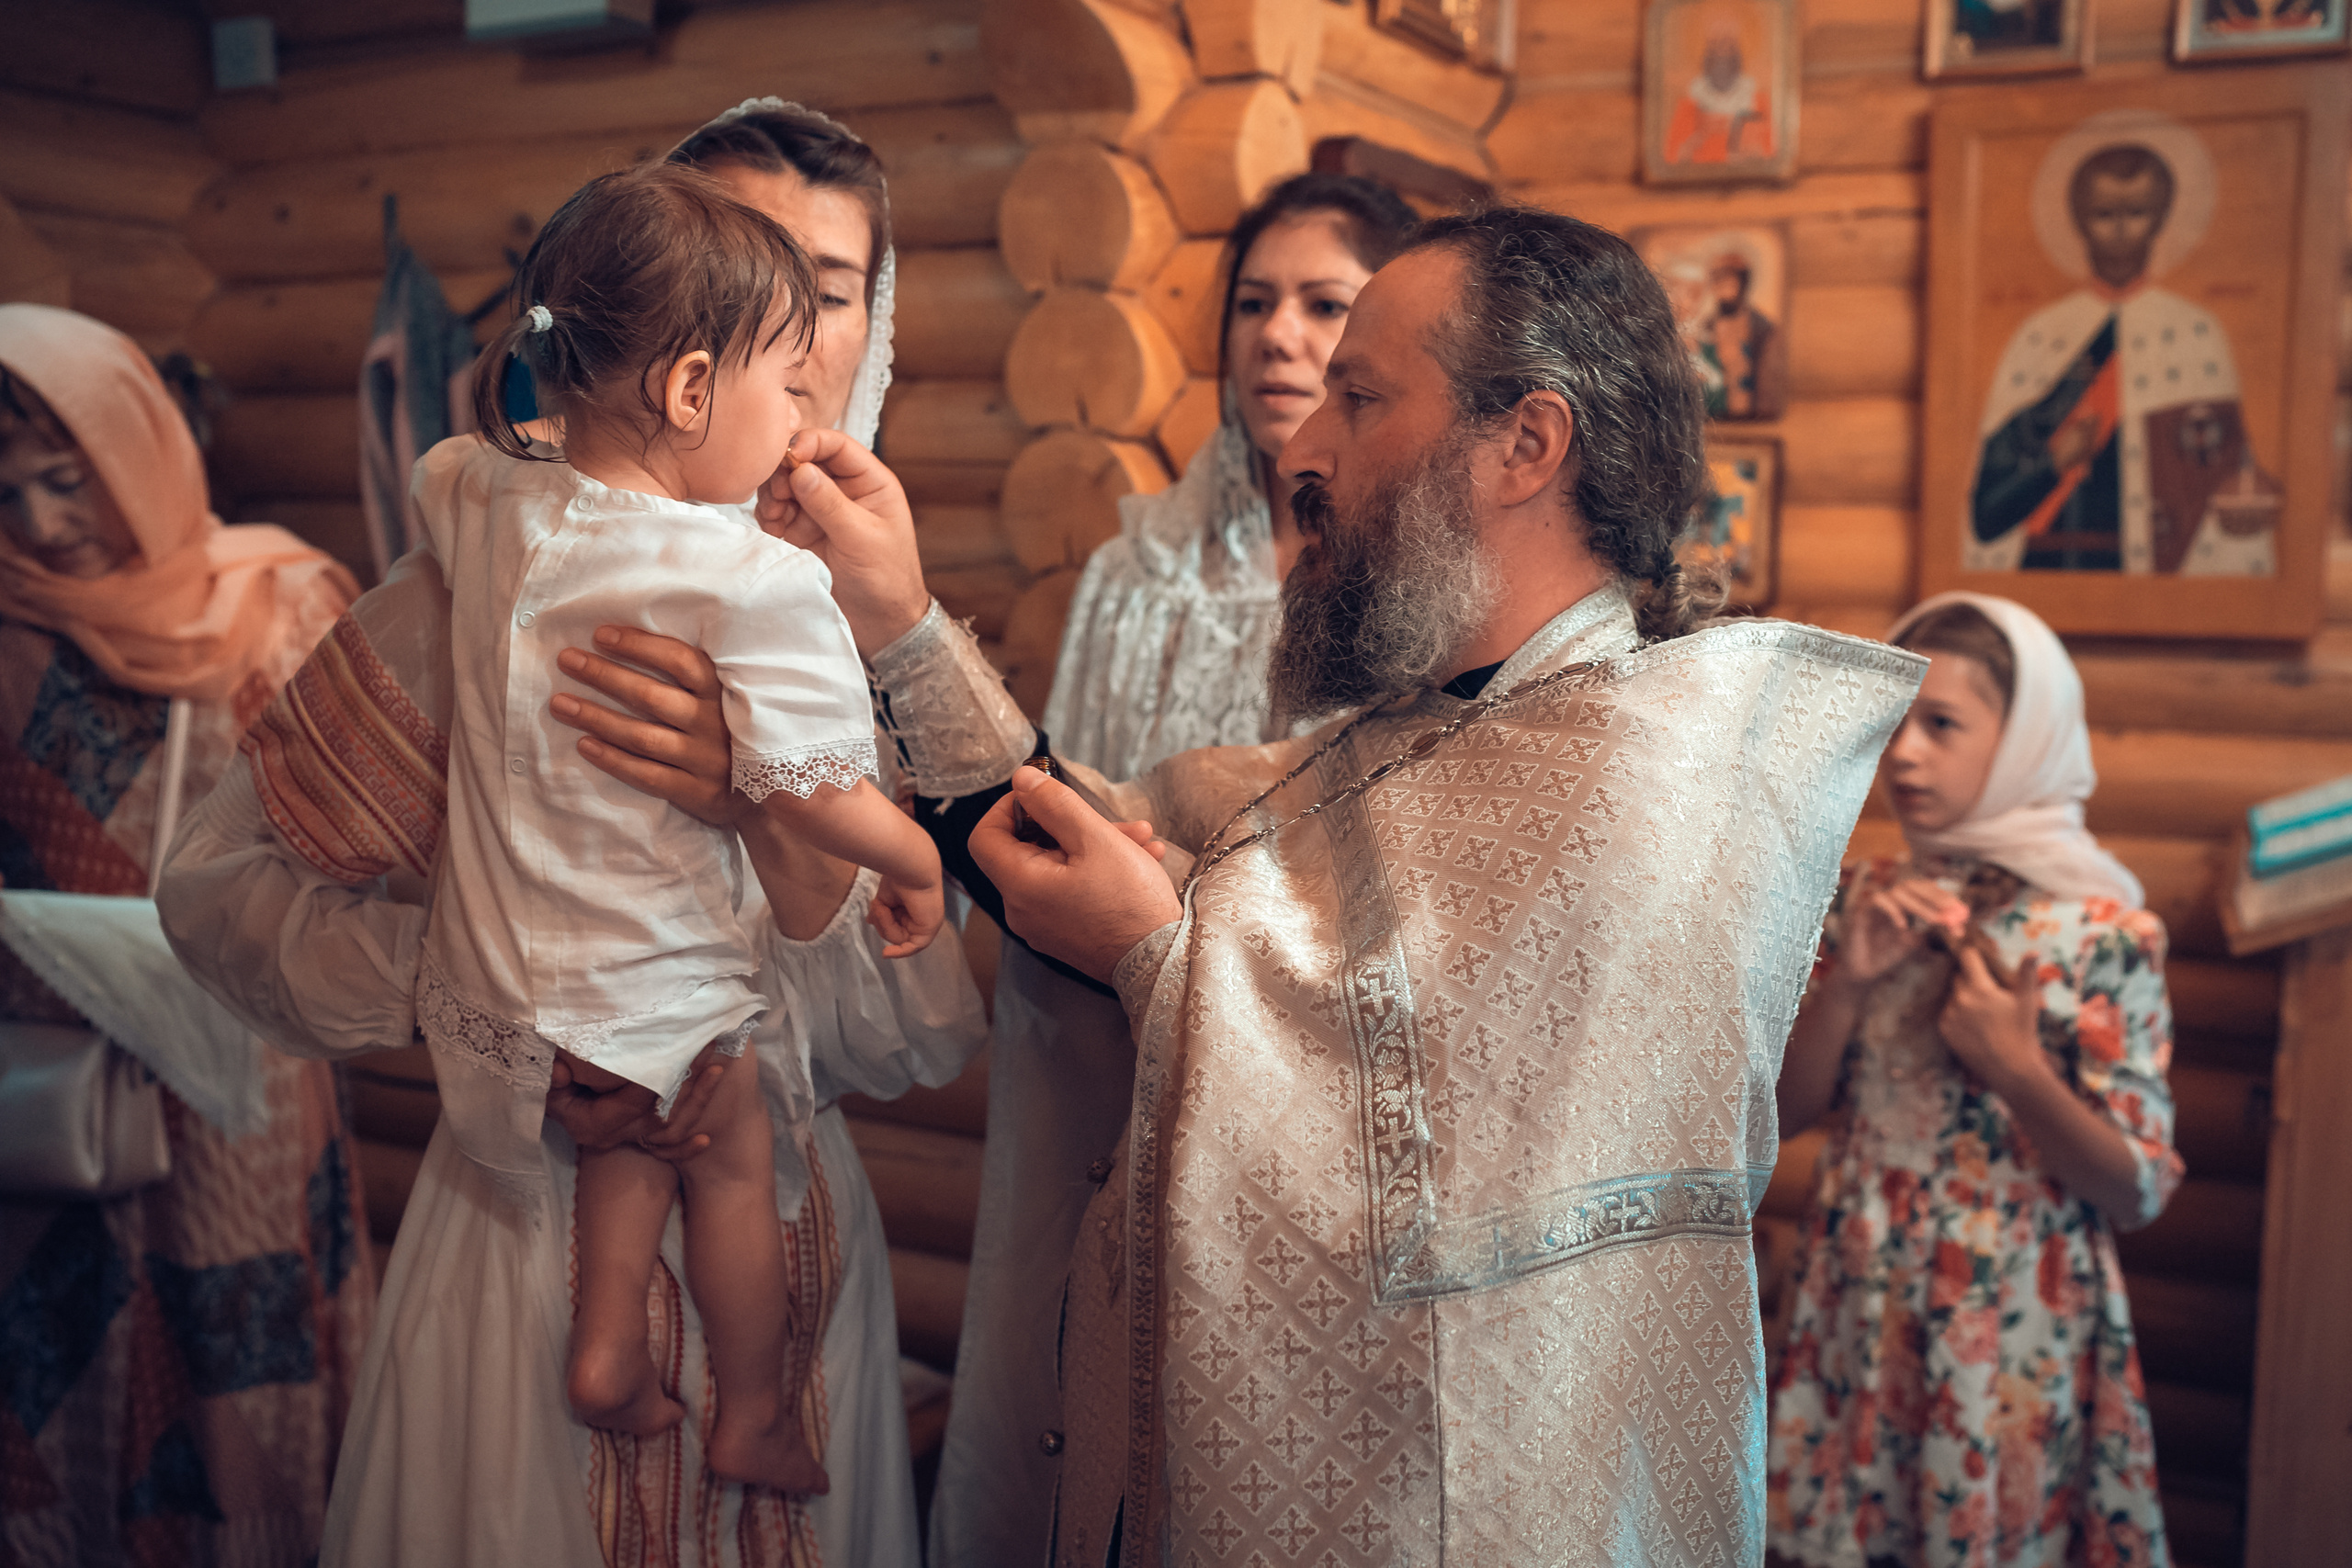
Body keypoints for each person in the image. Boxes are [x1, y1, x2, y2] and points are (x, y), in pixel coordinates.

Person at [763, 205, 1926, 1562]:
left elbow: (1451, 1197)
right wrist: (898, 619)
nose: (1304, 448)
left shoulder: (1656, 781)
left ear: (1527, 444)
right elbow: (1087, 846)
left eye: (1359, 396)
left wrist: (1157, 950)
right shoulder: (1402, 740)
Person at [159, 101, 987, 1568]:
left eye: (828, 279)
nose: (780, 303)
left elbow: (918, 1036)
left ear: (868, 327)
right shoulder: (493, 567)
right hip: (519, 1254)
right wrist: (505, 1005)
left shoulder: (878, 623)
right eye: (730, 253)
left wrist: (764, 807)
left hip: (787, 1242)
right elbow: (217, 890)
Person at [413, 161, 943, 1496]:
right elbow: (822, 786)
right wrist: (915, 850)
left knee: (641, 1135)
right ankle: (754, 1408)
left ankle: (607, 1349)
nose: (807, 387)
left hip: (531, 998)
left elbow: (450, 472)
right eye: (784, 355)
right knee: (724, 1140)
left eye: (837, 305)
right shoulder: (754, 579)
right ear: (690, 382)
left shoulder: (483, 502)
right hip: (627, 1064)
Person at [925, 171, 1417, 1567]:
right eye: (1254, 302)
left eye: (1324, 305)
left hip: (1296, 1062)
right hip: (1100, 1023)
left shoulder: (1407, 581)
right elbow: (1061, 783)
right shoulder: (1139, 566)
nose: (1276, 336)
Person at [0, 303, 368, 1564]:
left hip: (239, 1083)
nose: (40, 525)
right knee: (61, 1381)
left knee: (238, 1364)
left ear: (141, 452)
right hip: (42, 1077)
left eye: (68, 478)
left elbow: (373, 845)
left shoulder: (282, 601)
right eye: (4, 492)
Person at [1768, 593, 2180, 1568]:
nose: (1904, 754)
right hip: (1855, 1288)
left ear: (2026, 738)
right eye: (1895, 723)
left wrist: (2016, 1069)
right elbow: (1784, 1115)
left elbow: (2137, 1190)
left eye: (1941, 725)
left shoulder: (2103, 935)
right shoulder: (1867, 898)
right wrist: (1848, 986)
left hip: (2006, 1319)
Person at [1968, 140, 2278, 575]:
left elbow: (2223, 463)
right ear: (2079, 219)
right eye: (2103, 214)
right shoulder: (2041, 338)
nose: (2119, 229)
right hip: (2049, 558)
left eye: (2136, 213)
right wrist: (2054, 463)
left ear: (2161, 218)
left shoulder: (2193, 332)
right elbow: (1988, 502)